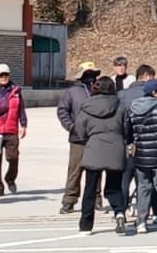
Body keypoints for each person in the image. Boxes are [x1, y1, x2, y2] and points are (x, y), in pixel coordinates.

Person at [72, 77, 128, 235]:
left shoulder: (87, 107)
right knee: (114, 187)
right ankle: (119, 212)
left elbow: (79, 129)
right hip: (115, 149)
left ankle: (86, 225)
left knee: (90, 188)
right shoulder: (120, 106)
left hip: (94, 147)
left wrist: (88, 138)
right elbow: (126, 128)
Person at [125, 79, 157, 235]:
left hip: (141, 156)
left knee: (143, 189)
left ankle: (141, 222)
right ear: (154, 92)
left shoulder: (133, 109)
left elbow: (128, 133)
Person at [58, 62, 102, 214]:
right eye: (88, 74)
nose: (91, 77)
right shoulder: (71, 92)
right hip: (78, 139)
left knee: (96, 169)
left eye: (93, 74)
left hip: (96, 137)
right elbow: (62, 111)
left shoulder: (99, 90)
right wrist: (71, 127)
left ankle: (97, 199)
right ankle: (69, 200)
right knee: (75, 171)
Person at [118, 64, 156, 212]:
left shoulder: (121, 95)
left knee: (124, 179)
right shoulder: (149, 94)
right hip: (146, 141)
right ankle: (143, 213)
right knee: (144, 181)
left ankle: (121, 210)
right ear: (146, 76)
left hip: (125, 143)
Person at [0, 63, 27, 196]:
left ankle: (10, 179)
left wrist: (23, 124)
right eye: (1, 75)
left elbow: (21, 109)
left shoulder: (16, 91)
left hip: (11, 130)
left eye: (6, 74)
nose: (4, 77)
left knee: (13, 158)